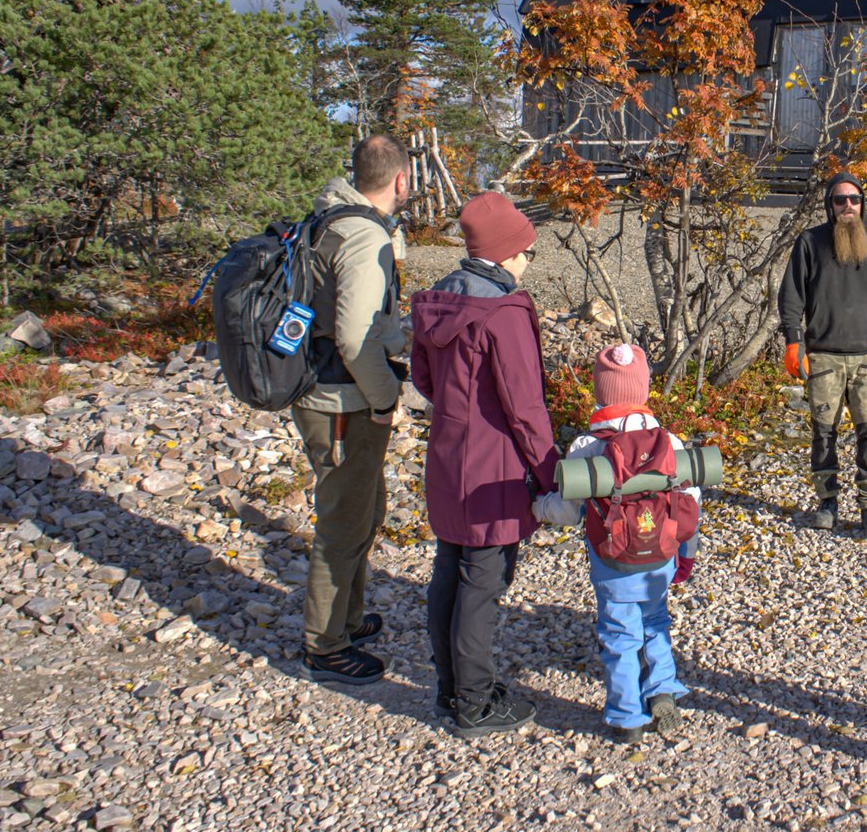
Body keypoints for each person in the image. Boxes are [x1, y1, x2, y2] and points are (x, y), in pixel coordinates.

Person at [410, 191, 559, 737]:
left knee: (449, 569)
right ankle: (474, 702)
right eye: (525, 250)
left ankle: (451, 689)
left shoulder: (438, 301)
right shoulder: (502, 312)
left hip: (448, 453)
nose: (528, 260)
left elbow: (423, 380)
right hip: (491, 463)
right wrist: (549, 472)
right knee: (482, 579)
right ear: (504, 252)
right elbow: (525, 405)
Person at [533, 344, 700, 744]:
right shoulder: (670, 442)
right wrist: (686, 556)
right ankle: (662, 689)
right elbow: (691, 505)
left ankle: (628, 719)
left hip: (612, 564)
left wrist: (538, 507)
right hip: (660, 555)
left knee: (618, 633)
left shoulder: (585, 449)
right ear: (643, 390)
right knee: (656, 621)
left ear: (600, 392)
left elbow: (569, 511)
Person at [292, 134, 412, 686]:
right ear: (401, 181)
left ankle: (349, 618)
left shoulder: (329, 221)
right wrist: (387, 395)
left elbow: (357, 317)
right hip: (342, 401)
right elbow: (353, 335)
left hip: (325, 392)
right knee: (344, 521)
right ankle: (325, 645)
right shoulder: (365, 238)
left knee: (364, 507)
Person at [777, 172, 867, 539]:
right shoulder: (810, 242)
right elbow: (791, 297)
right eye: (839, 200)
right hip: (823, 356)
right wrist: (793, 342)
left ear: (863, 203)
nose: (847, 206)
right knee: (823, 432)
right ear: (829, 206)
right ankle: (827, 502)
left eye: (854, 199)